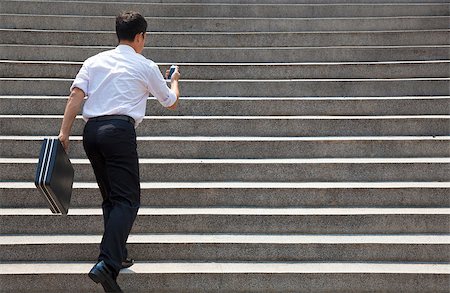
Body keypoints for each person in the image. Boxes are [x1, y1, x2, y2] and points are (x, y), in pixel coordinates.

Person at [57, 11, 180, 292]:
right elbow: (170, 102)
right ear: (139, 36)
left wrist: (65, 132)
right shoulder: (145, 65)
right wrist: (175, 80)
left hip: (92, 133)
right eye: (144, 38)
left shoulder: (94, 61)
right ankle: (107, 262)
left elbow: (75, 96)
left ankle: (118, 254)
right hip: (119, 132)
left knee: (111, 198)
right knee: (127, 200)